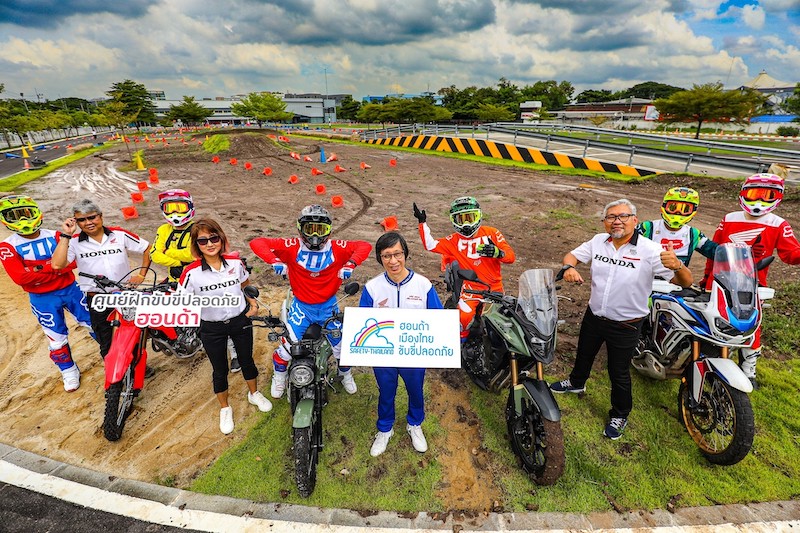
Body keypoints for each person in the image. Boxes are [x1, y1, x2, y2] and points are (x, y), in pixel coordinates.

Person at [550, 199, 692, 440]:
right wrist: (568, 268)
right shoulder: (598, 242)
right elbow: (572, 256)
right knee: (584, 353)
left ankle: (620, 413)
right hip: (595, 315)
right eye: (611, 217)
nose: (617, 221)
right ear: (605, 223)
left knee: (618, 372)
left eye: (623, 216)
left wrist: (678, 265)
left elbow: (685, 282)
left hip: (626, 324)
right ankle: (576, 382)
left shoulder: (650, 250)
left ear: (635, 221)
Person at [249, 204, 372, 398]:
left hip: (328, 306)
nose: (315, 235)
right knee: (287, 350)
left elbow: (364, 245)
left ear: (329, 231)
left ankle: (345, 373)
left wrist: (351, 263)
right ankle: (279, 377)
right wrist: (274, 261)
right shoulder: (291, 247)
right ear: (300, 229)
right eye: (310, 229)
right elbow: (257, 242)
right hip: (301, 307)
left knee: (342, 349)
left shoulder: (337, 248)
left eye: (320, 229)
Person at [701, 168, 800, 389]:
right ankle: (708, 363)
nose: (760, 200)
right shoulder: (729, 218)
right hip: (720, 280)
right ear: (744, 193)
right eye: (755, 194)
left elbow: (791, 254)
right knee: (713, 322)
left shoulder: (778, 224)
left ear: (778, 197)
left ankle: (748, 370)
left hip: (752, 283)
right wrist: (706, 279)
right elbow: (714, 251)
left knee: (752, 326)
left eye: (767, 195)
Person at [179, 217, 272, 435]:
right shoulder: (190, 273)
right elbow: (182, 303)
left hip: (240, 320)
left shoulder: (235, 263)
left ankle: (254, 394)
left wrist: (252, 303)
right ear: (196, 245)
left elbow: (245, 283)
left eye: (214, 238)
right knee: (219, 369)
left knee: (247, 360)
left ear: (221, 239)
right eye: (203, 241)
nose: (210, 244)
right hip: (212, 327)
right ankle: (225, 408)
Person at [359, 232, 443, 457]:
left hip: (413, 354)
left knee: (415, 391)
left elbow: (438, 319)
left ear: (405, 254)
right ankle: (385, 429)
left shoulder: (423, 285)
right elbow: (363, 324)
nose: (393, 261)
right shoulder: (372, 287)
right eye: (387, 256)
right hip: (383, 353)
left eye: (397, 254)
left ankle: (414, 424)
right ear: (380, 258)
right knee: (386, 392)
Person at [0, 195, 94, 392]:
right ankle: (68, 370)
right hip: (43, 298)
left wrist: (35, 269)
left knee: (94, 322)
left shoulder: (56, 235)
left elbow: (74, 262)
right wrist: (55, 265)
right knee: (55, 336)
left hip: (71, 289)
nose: (22, 220)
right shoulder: (6, 246)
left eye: (26, 213)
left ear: (36, 212)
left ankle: (112, 354)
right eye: (14, 216)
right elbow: (20, 278)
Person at [52, 199, 152, 366]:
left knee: (132, 335)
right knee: (106, 342)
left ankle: (135, 368)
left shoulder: (119, 234)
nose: (88, 223)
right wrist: (66, 236)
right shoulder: (74, 242)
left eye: (92, 217)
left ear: (101, 216)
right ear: (76, 222)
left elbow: (148, 248)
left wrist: (141, 275)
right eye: (82, 220)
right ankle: (116, 377)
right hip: (98, 299)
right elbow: (57, 264)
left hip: (124, 295)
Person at [149, 189, 240, 372]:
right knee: (151, 305)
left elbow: (194, 254)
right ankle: (173, 337)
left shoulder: (197, 229)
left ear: (190, 207)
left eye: (180, 207)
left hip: (201, 279)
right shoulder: (163, 229)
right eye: (170, 208)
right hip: (175, 279)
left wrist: (169, 253)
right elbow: (154, 254)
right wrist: (179, 259)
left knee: (220, 314)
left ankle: (235, 351)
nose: (175, 213)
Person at [412, 196, 515, 341]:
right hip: (470, 291)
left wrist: (499, 253)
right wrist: (422, 223)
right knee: (462, 320)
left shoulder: (492, 233)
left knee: (500, 326)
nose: (466, 223)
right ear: (454, 221)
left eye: (470, 217)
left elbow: (511, 257)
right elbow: (430, 245)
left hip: (494, 290)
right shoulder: (453, 240)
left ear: (478, 216)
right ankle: (461, 350)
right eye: (461, 219)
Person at [637, 187, 717, 267]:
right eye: (673, 207)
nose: (678, 212)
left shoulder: (693, 234)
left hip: (677, 277)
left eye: (685, 209)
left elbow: (716, 252)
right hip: (646, 277)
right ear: (664, 206)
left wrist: (727, 251)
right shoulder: (646, 228)